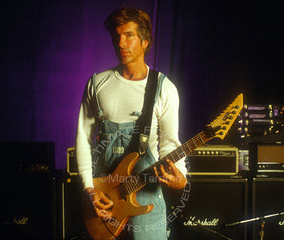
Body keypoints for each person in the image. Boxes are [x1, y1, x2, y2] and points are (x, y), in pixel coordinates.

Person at [76, 7, 187, 240]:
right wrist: (90, 190)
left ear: (145, 41)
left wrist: (181, 177)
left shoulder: (165, 89)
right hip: (105, 198)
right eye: (116, 37)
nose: (121, 43)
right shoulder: (98, 83)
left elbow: (169, 145)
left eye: (128, 35)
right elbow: (84, 141)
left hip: (146, 196)